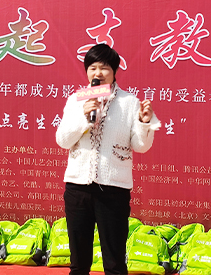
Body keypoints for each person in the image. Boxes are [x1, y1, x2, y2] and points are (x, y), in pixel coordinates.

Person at [56, 43, 161, 275]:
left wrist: (145, 123)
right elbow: (63, 140)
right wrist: (84, 118)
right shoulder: (77, 100)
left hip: (114, 190)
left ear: (114, 72)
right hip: (78, 188)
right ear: (87, 71)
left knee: (114, 263)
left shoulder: (129, 102)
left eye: (104, 68)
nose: (98, 73)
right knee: (79, 262)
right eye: (92, 68)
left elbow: (141, 146)